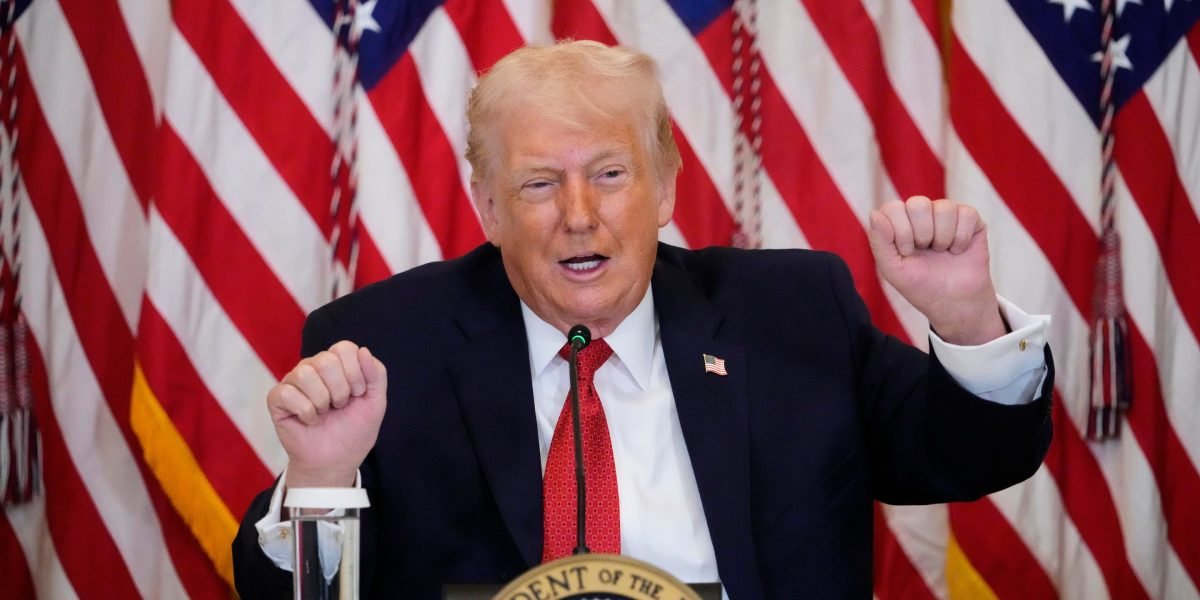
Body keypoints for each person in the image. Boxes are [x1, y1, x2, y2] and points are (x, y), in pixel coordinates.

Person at [233, 41, 1053, 598]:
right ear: (488, 207)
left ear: (664, 187)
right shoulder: (387, 345)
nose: (579, 216)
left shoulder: (791, 313)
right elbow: (297, 595)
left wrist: (968, 320)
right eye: (539, 184)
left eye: (611, 174)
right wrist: (321, 485)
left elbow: (975, 456)